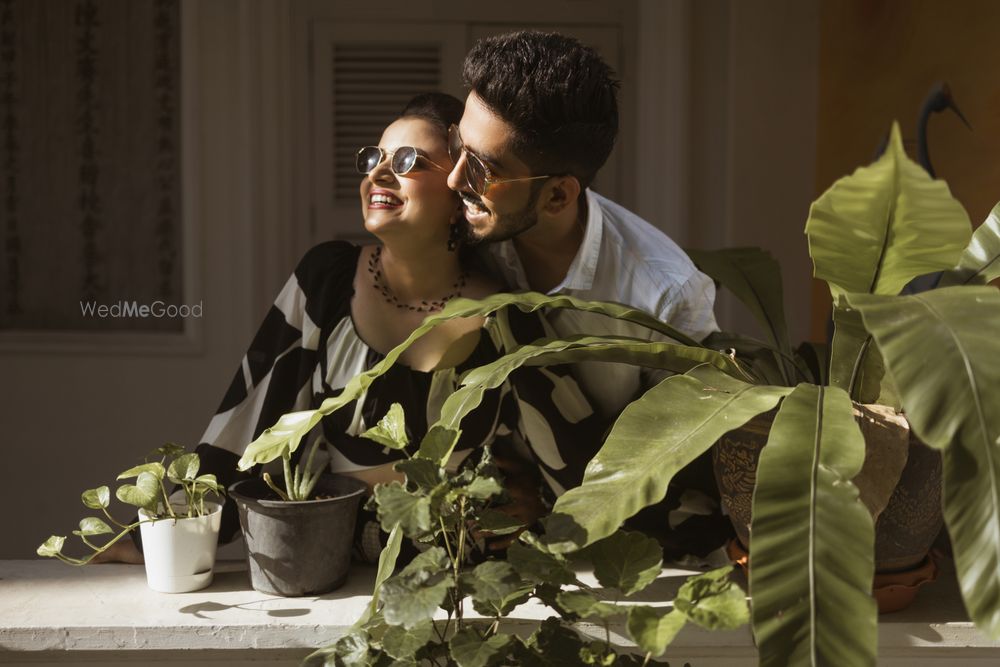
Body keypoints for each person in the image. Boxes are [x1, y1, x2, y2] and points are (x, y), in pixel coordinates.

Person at [99, 93, 606, 564]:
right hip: (334, 567)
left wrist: (537, 514)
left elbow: (574, 456)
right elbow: (247, 418)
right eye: (373, 159)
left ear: (459, 192)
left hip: (463, 576)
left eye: (407, 162)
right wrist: (171, 536)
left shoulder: (504, 312)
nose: (380, 174)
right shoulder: (327, 280)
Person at [447, 31, 730, 558]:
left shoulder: (664, 295)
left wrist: (550, 511)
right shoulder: (462, 233)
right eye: (455, 145)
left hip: (608, 556)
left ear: (557, 194)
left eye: (484, 168)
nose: (454, 179)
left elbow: (673, 473)